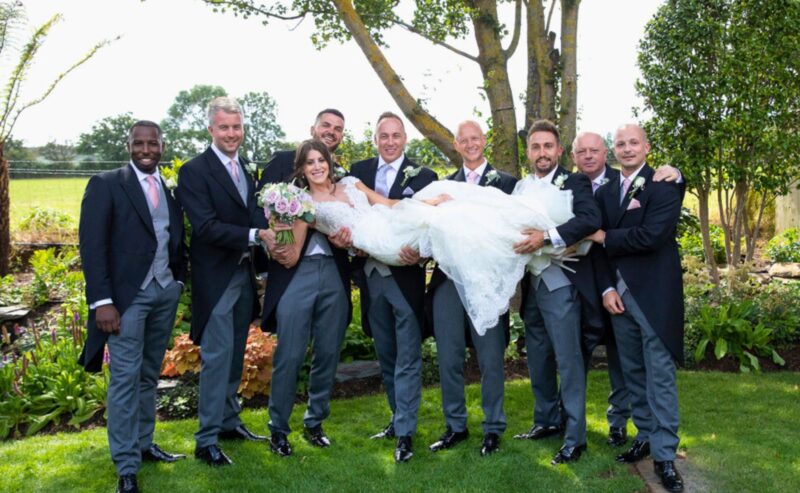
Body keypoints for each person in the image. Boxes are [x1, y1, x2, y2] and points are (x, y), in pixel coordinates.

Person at [78, 121, 187, 493]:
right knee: (124, 378)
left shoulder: (165, 188)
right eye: (138, 143)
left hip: (163, 292)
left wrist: (177, 280)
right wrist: (102, 302)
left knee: (148, 374)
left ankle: (143, 444)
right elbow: (91, 248)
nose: (146, 149)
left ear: (161, 145)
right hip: (126, 301)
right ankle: (126, 465)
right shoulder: (106, 184)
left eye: (152, 143)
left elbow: (172, 236)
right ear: (128, 145)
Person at [588, 124, 685, 492]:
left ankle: (664, 456)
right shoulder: (608, 191)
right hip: (619, 298)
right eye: (621, 144)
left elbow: (653, 235)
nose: (627, 149)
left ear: (646, 147)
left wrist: (605, 236)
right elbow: (597, 250)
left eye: (634, 143)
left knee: (659, 375)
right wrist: (607, 288)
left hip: (654, 294)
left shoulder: (665, 184)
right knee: (632, 372)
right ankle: (644, 435)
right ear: (614, 150)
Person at [175, 96, 271, 467]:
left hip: (243, 276)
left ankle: (230, 422)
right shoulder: (195, 171)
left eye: (237, 127)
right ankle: (206, 439)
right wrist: (255, 235)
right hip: (216, 279)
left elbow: (252, 211)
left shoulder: (244, 167)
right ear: (211, 129)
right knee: (216, 358)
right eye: (224, 127)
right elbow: (205, 226)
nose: (232, 134)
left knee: (234, 355)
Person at [349, 111, 437, 463]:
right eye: (383, 136)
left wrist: (421, 251)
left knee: (408, 358)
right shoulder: (357, 173)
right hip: (370, 278)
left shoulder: (425, 176)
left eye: (395, 135)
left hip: (405, 280)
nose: (389, 142)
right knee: (385, 355)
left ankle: (405, 432)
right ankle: (395, 415)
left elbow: (431, 225)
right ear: (375, 139)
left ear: (405, 139)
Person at [511, 120, 601, 466]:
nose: (542, 153)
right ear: (529, 152)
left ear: (559, 151)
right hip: (531, 286)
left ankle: (575, 436)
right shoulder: (520, 187)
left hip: (560, 281)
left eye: (548, 146)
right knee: (537, 356)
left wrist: (547, 237)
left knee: (568, 359)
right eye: (535, 147)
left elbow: (589, 219)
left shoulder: (575, 181)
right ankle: (547, 419)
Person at [425, 120, 517, 457]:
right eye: (463, 139)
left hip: (486, 284)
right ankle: (455, 426)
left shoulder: (507, 184)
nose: (470, 143)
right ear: (457, 145)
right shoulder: (443, 187)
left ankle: (493, 428)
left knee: (490, 357)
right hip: (448, 281)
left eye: (475, 138)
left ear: (485, 141)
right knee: (449, 356)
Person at [258, 140, 354, 457]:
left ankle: (314, 423)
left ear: (330, 163)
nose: (316, 166)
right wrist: (280, 238)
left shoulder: (342, 193)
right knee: (290, 355)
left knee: (327, 353)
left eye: (321, 160)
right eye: (309, 162)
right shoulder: (289, 198)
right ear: (301, 168)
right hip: (296, 277)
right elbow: (282, 248)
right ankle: (278, 430)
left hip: (333, 275)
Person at [260, 108, 345, 185]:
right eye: (326, 125)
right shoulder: (281, 160)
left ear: (341, 138)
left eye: (338, 129)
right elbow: (261, 198)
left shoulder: (344, 176)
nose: (331, 132)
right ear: (312, 130)